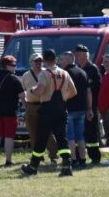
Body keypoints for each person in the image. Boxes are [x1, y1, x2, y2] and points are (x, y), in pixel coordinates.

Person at [22, 49, 76, 177]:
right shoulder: (64, 73)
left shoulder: (44, 74)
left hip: (47, 109)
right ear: (56, 59)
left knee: (41, 137)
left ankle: (33, 166)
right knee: (62, 138)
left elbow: (40, 90)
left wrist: (33, 90)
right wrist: (62, 98)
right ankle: (67, 165)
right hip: (61, 109)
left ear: (45, 61)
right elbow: (73, 91)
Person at [0, 55, 24, 167]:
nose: (15, 67)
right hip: (10, 113)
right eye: (13, 65)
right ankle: (8, 161)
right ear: (7, 66)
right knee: (9, 137)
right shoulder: (15, 79)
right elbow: (22, 95)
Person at [21, 54, 57, 164]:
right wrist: (25, 105)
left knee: (49, 133)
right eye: (36, 61)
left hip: (45, 106)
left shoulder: (47, 73)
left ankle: (53, 155)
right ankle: (37, 156)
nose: (38, 63)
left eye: (40, 61)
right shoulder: (26, 75)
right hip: (31, 107)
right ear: (31, 62)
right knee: (33, 133)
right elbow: (22, 92)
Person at [60, 50, 91, 169]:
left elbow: (64, 91)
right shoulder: (83, 72)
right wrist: (89, 108)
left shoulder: (65, 73)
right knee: (81, 137)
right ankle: (83, 160)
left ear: (68, 60)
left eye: (62, 60)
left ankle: (72, 160)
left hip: (69, 109)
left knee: (70, 137)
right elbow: (88, 92)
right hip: (81, 109)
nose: (60, 62)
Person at [74, 44, 103, 165]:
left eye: (78, 54)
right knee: (79, 132)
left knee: (91, 132)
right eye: (76, 55)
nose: (77, 57)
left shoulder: (92, 69)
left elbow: (94, 89)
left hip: (91, 106)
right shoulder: (78, 68)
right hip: (80, 107)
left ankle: (95, 157)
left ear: (85, 55)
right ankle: (79, 157)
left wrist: (90, 107)